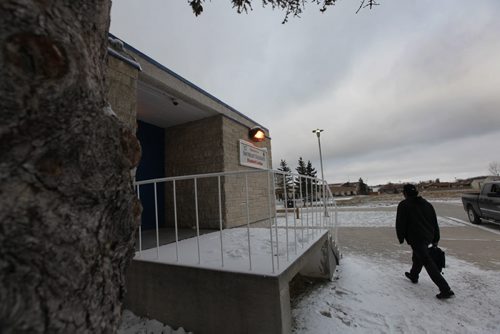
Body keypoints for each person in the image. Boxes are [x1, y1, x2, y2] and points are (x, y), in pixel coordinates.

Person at [396, 184, 454, 299]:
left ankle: (445, 289)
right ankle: (413, 275)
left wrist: (401, 237)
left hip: (415, 238)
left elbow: (400, 222)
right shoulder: (427, 204)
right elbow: (434, 223)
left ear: (405, 193)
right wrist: (436, 238)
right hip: (428, 236)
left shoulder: (404, 205)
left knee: (427, 261)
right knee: (418, 256)